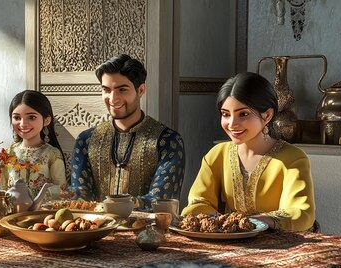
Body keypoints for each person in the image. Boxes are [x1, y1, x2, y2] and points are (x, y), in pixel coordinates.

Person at [182, 72, 315, 231]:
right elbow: (198, 203)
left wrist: (262, 221)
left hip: (280, 248)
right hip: (229, 242)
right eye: (226, 114)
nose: (232, 124)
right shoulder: (216, 155)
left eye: (243, 114)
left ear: (267, 115)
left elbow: (301, 212)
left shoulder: (292, 159)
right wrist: (225, 223)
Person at [70, 54, 185, 205]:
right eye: (106, 90)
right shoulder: (86, 140)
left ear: (141, 90)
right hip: (96, 227)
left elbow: (160, 200)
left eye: (122, 90)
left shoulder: (168, 141)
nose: (112, 99)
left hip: (149, 228)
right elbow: (80, 196)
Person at [0, 90, 67, 199]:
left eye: (31, 117)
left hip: (42, 213)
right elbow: (2, 190)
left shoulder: (52, 154)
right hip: (13, 213)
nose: (22, 124)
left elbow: (61, 189)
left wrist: (40, 197)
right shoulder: (8, 153)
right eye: (17, 118)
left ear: (47, 120)